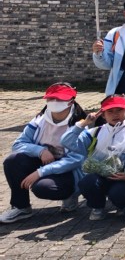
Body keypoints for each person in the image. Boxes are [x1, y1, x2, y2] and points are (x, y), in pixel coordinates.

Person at [1, 83, 86, 224]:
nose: (55, 102)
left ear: (71, 101)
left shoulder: (80, 124)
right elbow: (18, 144)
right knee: (12, 161)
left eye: (60, 99)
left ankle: (70, 195)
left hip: (68, 169)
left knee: (43, 188)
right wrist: (40, 151)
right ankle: (21, 207)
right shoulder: (39, 120)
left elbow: (76, 159)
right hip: (44, 160)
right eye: (51, 99)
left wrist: (40, 173)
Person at [61, 94, 125, 220]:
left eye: (119, 110)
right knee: (87, 182)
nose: (115, 114)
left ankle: (122, 206)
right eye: (110, 111)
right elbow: (66, 141)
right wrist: (84, 123)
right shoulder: (95, 132)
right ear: (103, 114)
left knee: (119, 193)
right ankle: (97, 207)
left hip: (121, 178)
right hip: (99, 176)